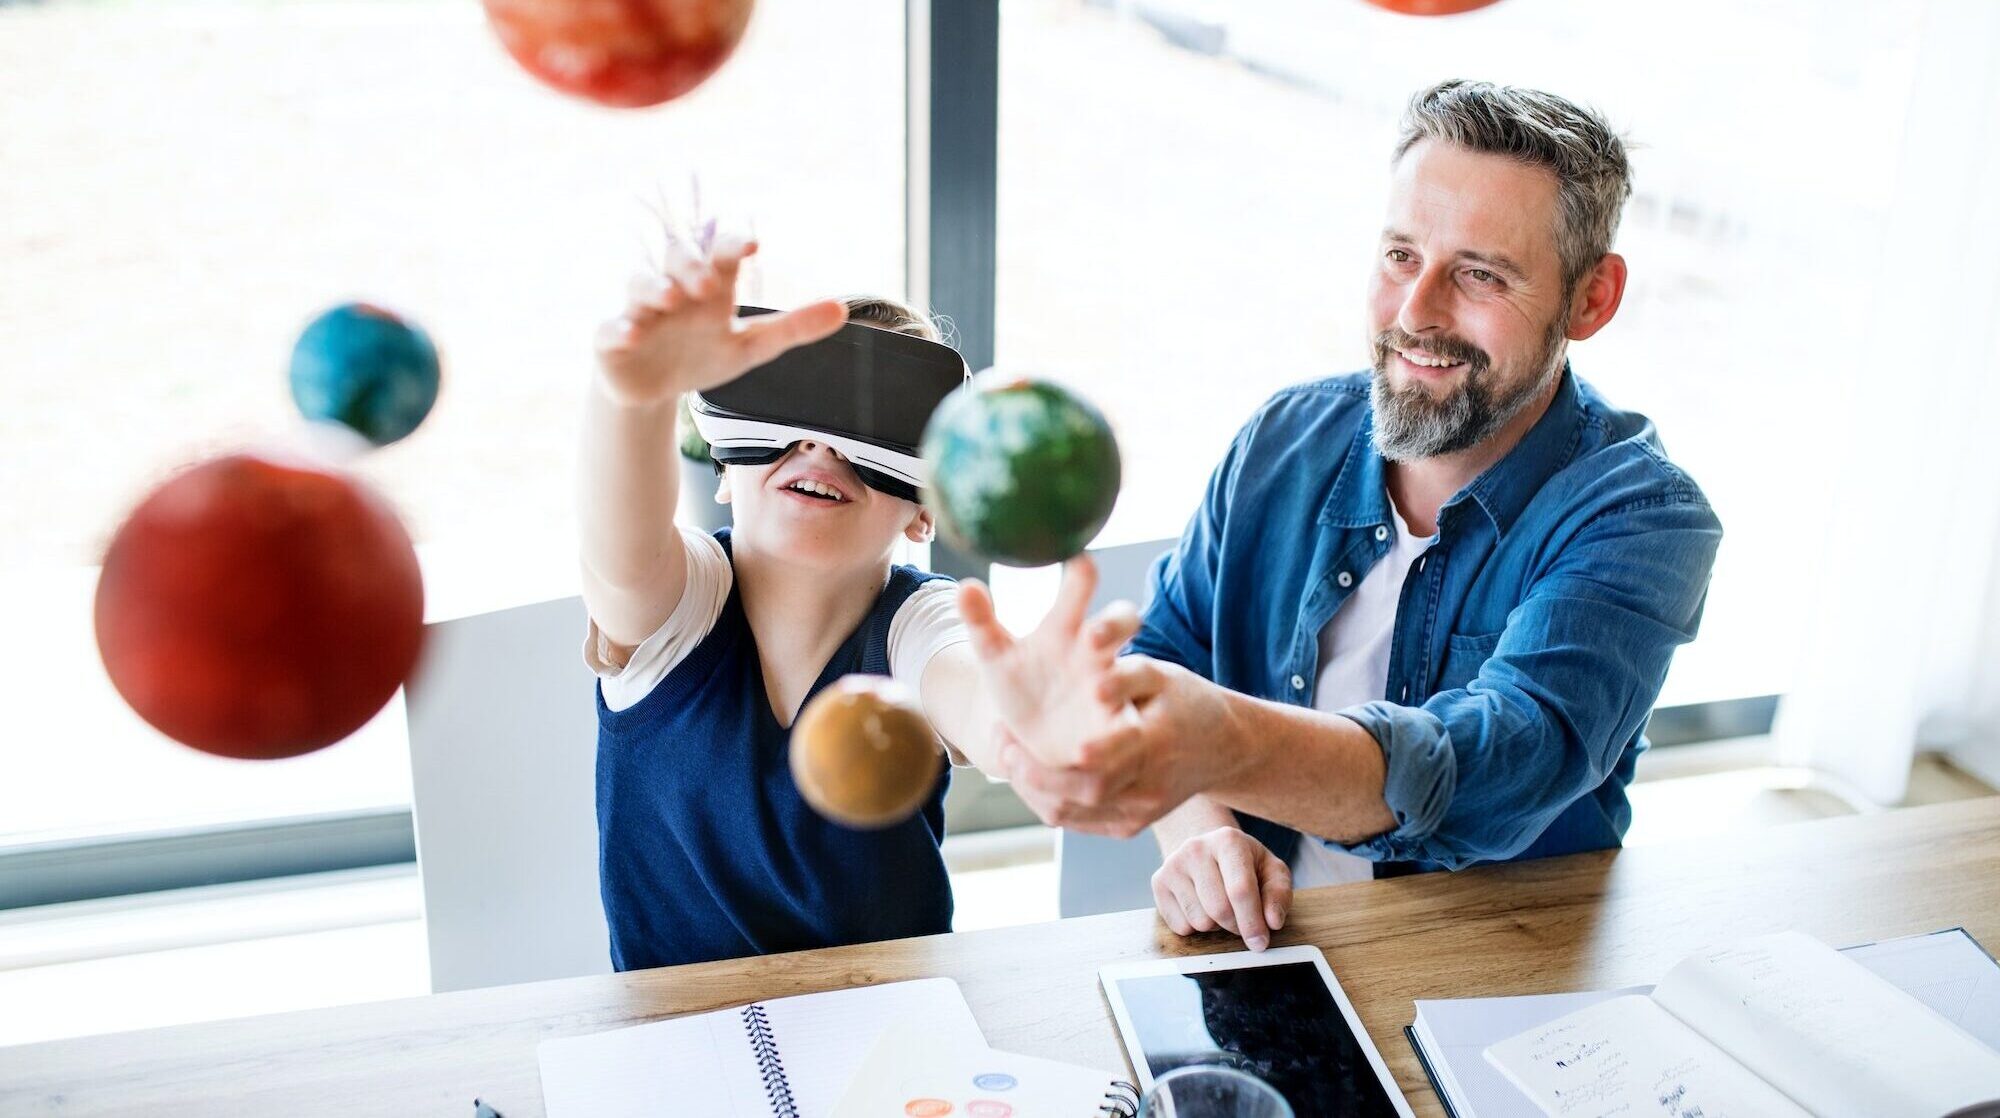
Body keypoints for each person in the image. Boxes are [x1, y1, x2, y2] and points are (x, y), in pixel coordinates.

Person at [971, 79, 1724, 953]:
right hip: (1272, 957)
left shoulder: (1645, 519)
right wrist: (1199, 827)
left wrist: (1217, 742)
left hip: (1498, 971)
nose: (1415, 313)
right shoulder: (1282, 440)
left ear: (1592, 299)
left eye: (1479, 275)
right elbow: (1165, 653)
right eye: (1402, 256)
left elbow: (1495, 759)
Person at [578, 233, 1133, 970]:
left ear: (925, 512)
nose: (821, 446)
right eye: (792, 410)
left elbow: (969, 688)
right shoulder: (680, 611)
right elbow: (621, 557)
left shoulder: (918, 625)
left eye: (881, 427)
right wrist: (635, 388)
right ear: (720, 468)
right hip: (682, 1040)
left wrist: (1025, 719)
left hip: (893, 1027)